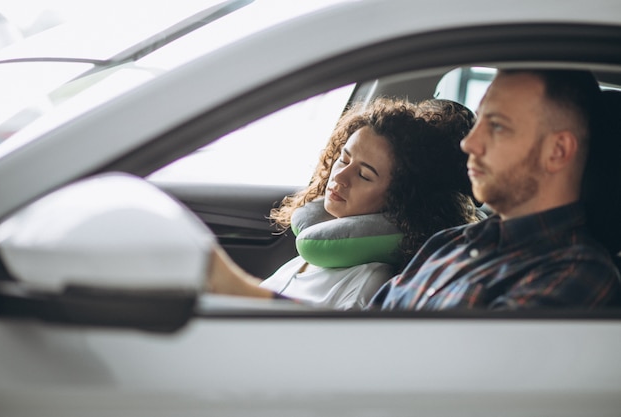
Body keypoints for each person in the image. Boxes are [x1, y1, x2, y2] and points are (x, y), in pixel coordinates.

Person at [207, 69, 621, 310]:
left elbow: (433, 382)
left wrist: (245, 295)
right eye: (478, 125)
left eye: (497, 126)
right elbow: (357, 348)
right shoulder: (452, 244)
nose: (469, 144)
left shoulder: (575, 275)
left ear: (557, 151)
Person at [209, 97, 480, 309]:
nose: (339, 176)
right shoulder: (311, 255)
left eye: (364, 174)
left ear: (399, 200)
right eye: (343, 159)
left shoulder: (366, 283)